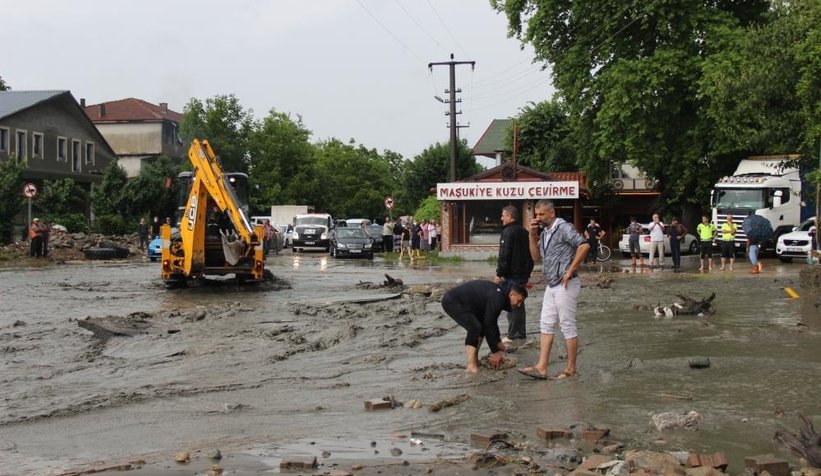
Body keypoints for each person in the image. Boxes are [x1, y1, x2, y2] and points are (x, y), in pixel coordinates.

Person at [518, 200, 589, 380]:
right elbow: (536, 256)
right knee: (546, 324)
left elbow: (584, 245)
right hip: (551, 284)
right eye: (536, 214)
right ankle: (542, 366)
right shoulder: (545, 233)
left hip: (566, 283)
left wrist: (570, 269)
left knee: (567, 325)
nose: (538, 218)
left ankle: (571, 369)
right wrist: (532, 235)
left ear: (552, 213)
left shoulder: (564, 227)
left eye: (541, 214)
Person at [441, 280, 528, 373]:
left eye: (521, 303)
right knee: (474, 328)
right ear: (511, 295)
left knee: (480, 328)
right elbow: (489, 324)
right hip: (452, 301)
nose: (519, 305)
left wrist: (497, 341)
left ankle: (475, 360)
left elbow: (492, 322)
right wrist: (495, 352)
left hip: (468, 303)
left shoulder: (500, 295)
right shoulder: (498, 297)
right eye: (519, 301)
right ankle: (471, 366)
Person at [494, 205, 533, 343]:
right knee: (519, 303)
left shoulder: (508, 232)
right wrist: (528, 273)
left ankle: (511, 335)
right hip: (522, 274)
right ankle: (520, 334)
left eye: (503, 215)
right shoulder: (524, 231)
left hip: (512, 275)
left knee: (513, 303)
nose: (501, 218)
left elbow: (504, 254)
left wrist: (499, 274)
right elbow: (529, 255)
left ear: (509, 216)